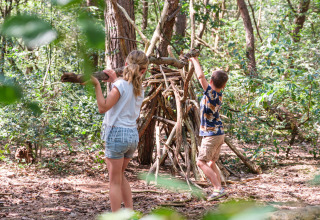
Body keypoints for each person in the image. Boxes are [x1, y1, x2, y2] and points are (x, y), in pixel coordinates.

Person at [88, 50, 149, 211]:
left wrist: (97, 85)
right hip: (132, 137)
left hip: (117, 135)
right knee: (120, 177)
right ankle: (129, 213)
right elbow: (124, 95)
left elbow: (103, 107)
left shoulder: (120, 85)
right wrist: (114, 81)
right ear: (144, 71)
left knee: (114, 181)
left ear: (126, 65)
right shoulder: (139, 89)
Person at [189, 57, 228, 201]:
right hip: (219, 133)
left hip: (212, 134)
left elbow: (200, 76)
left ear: (211, 82)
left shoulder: (211, 93)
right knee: (211, 162)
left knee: (201, 162)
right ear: (223, 86)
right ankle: (219, 189)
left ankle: (218, 189)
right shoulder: (218, 94)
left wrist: (194, 60)